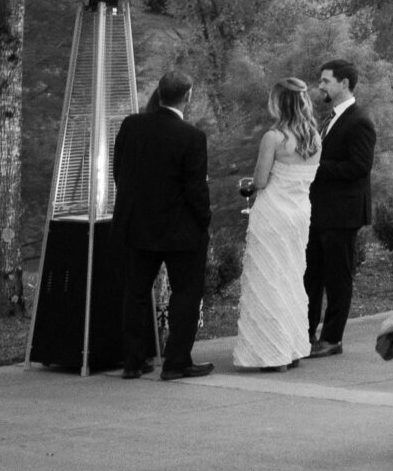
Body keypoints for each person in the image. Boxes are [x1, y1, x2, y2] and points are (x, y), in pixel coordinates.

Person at [115, 71, 213, 381]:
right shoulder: (192, 137)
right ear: (188, 96)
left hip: (138, 223)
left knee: (136, 292)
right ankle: (176, 361)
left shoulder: (131, 126)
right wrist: (204, 220)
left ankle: (133, 360)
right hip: (180, 229)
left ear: (158, 92)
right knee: (185, 293)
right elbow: (195, 189)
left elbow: (119, 171)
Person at [233, 77, 320, 371]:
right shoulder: (315, 138)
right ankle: (292, 348)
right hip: (299, 214)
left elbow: (260, 180)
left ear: (278, 102)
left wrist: (245, 186)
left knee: (268, 279)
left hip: (273, 214)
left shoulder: (274, 137)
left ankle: (272, 353)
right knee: (291, 278)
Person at [304, 59, 376, 359]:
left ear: (344, 83)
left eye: (325, 81)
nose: (320, 86)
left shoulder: (359, 120)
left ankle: (332, 338)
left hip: (342, 213)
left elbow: (359, 167)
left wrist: (315, 167)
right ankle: (305, 333)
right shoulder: (329, 117)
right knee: (312, 276)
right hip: (320, 211)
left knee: (337, 278)